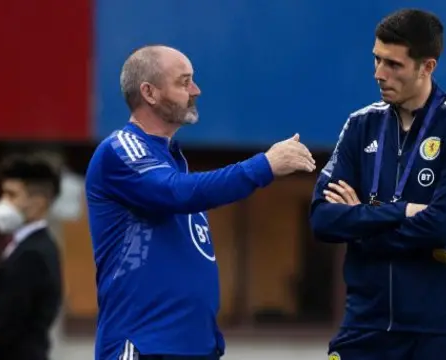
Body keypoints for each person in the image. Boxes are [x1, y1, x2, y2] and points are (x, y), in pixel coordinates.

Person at [85, 45, 315, 360]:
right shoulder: (122, 149)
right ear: (149, 92)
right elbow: (176, 193)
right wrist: (265, 166)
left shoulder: (172, 161)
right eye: (184, 82)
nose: (196, 90)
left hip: (196, 348)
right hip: (143, 347)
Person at [309, 9, 446, 360]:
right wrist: (403, 211)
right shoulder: (361, 125)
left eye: (393, 65)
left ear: (427, 66)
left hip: (437, 331)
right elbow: (322, 220)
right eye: (377, 60)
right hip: (364, 325)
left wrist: (360, 220)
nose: (379, 74)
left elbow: (441, 228)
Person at [0, 154, 63, 360]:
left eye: (11, 195)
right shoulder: (27, 246)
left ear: (38, 203)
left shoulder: (33, 254)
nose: (3, 203)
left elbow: (7, 320)